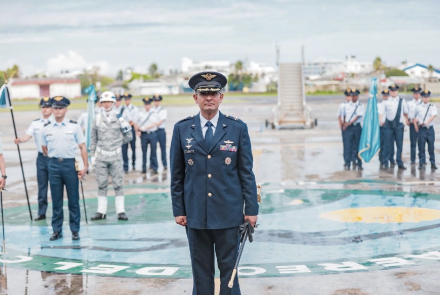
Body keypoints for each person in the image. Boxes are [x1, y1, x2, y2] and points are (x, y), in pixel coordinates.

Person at [170, 71, 259, 295]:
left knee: (229, 271)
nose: (208, 97)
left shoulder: (237, 128)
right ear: (195, 98)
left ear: (221, 97)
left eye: (213, 93)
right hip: (195, 213)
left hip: (228, 213)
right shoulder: (181, 129)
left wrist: (251, 209)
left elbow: (245, 172)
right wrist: (179, 209)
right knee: (201, 271)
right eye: (203, 93)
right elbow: (177, 174)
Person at [41, 96, 88, 241]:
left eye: (61, 107)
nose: (58, 110)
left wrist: (85, 166)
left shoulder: (74, 126)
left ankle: (75, 230)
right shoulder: (46, 127)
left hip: (69, 165)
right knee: (56, 200)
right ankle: (56, 230)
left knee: (73, 200)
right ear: (52, 109)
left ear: (66, 109)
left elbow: (82, 147)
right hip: (54, 165)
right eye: (55, 107)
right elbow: (44, 148)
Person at [89, 91, 133, 221]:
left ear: (113, 103)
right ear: (101, 103)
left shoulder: (120, 118)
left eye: (109, 102)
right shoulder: (97, 118)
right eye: (104, 102)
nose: (106, 104)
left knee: (118, 184)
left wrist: (117, 144)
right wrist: (92, 155)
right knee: (101, 184)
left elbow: (129, 136)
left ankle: (121, 211)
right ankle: (101, 211)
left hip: (115, 156)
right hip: (101, 156)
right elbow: (93, 139)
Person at [14, 97, 53, 220]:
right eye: (43, 107)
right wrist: (20, 140)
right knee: (42, 186)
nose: (45, 109)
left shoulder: (56, 122)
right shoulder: (36, 123)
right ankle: (42, 212)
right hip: (41, 158)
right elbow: (27, 136)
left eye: (47, 107)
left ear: (52, 108)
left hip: (54, 157)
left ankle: (57, 211)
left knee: (56, 186)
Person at [382, 84, 409, 170]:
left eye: (395, 91)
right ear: (389, 92)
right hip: (388, 126)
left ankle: (399, 162)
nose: (393, 92)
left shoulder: (402, 101)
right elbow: (382, 114)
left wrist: (406, 121)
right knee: (387, 145)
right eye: (392, 91)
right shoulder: (386, 102)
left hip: (398, 126)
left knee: (399, 145)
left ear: (397, 91)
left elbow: (405, 112)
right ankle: (386, 162)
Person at [414, 90, 437, 170]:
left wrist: (426, 122)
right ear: (422, 97)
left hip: (430, 129)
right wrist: (416, 126)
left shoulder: (432, 106)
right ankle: (421, 163)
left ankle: (433, 163)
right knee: (421, 148)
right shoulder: (418, 106)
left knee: (431, 148)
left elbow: (433, 116)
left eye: (427, 97)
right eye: (424, 97)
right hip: (422, 130)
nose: (426, 99)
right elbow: (414, 117)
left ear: (429, 98)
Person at [342, 89, 364, 170]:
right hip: (348, 128)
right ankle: (347, 163)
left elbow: (358, 116)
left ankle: (359, 162)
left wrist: (349, 122)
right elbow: (344, 115)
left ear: (357, 97)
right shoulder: (346, 106)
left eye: (355, 96)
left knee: (358, 146)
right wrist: (344, 124)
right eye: (352, 96)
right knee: (348, 145)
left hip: (356, 127)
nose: (354, 97)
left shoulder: (360, 106)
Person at [136, 98, 159, 174]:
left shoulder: (154, 113)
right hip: (144, 135)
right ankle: (144, 168)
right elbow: (136, 122)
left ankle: (155, 167)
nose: (147, 106)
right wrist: (137, 131)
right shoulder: (140, 113)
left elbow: (154, 124)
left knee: (153, 152)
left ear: (150, 105)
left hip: (152, 134)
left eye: (148, 104)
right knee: (144, 152)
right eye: (145, 104)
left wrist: (143, 128)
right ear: (144, 105)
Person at [120, 93, 138, 173]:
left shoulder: (134, 108)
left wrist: (127, 123)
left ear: (130, 100)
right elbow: (120, 120)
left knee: (133, 148)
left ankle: (133, 163)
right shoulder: (122, 109)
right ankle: (126, 166)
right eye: (125, 99)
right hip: (124, 131)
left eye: (128, 99)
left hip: (131, 130)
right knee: (124, 149)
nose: (126, 101)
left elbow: (133, 121)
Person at [378, 90, 395, 169]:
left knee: (390, 144)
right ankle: (382, 160)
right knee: (381, 144)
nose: (385, 97)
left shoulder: (392, 104)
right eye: (384, 95)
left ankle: (390, 159)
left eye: (387, 95)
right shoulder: (378, 105)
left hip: (389, 127)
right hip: (381, 127)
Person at [407, 87, 422, 165]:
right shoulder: (409, 103)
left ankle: (422, 160)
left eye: (418, 93)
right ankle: (413, 160)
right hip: (412, 125)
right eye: (415, 93)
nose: (417, 95)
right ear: (413, 94)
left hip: (421, 125)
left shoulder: (422, 103)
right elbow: (406, 113)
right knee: (413, 143)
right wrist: (408, 120)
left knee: (421, 143)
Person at [152, 95, 168, 170]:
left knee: (163, 148)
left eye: (158, 101)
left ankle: (164, 164)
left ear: (160, 101)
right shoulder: (151, 110)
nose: (156, 102)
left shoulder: (163, 110)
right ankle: (154, 165)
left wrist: (153, 124)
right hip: (153, 131)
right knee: (153, 149)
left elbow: (161, 120)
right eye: (155, 101)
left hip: (161, 130)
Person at [338, 89, 351, 166]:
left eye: (350, 96)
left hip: (352, 125)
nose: (349, 98)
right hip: (345, 126)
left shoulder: (355, 105)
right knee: (346, 144)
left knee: (353, 144)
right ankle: (346, 160)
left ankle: (353, 159)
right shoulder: (342, 105)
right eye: (347, 96)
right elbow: (339, 115)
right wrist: (340, 124)